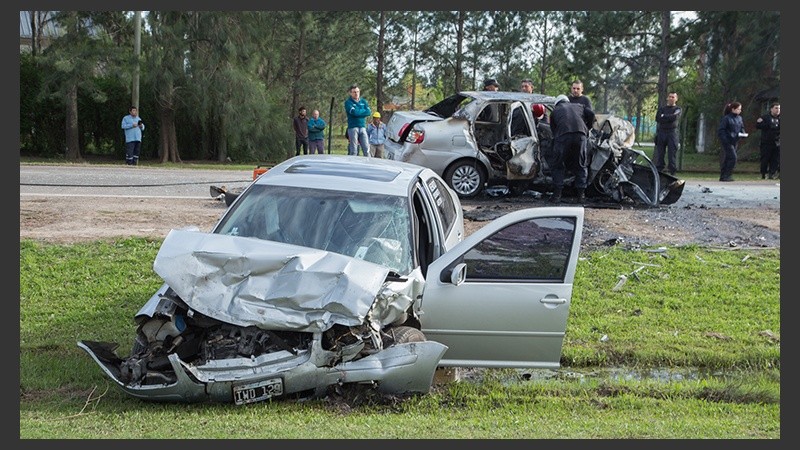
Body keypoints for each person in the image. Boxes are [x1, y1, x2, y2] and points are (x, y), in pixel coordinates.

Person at [547, 94, 595, 203]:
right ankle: (581, 196)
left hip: (563, 136)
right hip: (581, 136)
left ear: (557, 104)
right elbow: (591, 114)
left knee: (557, 165)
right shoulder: (579, 106)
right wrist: (587, 128)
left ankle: (557, 196)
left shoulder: (555, 111)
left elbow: (553, 131)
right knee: (581, 165)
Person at [653, 92, 683, 175]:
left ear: (676, 99)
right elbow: (658, 118)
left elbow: (674, 117)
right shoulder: (662, 109)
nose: (671, 98)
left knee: (672, 153)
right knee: (660, 153)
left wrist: (664, 116)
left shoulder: (678, 109)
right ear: (667, 98)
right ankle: (659, 172)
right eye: (669, 97)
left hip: (672, 133)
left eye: (673, 97)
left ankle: (672, 172)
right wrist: (667, 117)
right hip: (662, 132)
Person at [716, 101, 746, 182]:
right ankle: (727, 174)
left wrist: (743, 133)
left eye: (740, 109)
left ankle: (723, 176)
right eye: (738, 109)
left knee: (728, 158)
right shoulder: (726, 118)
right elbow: (721, 130)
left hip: (735, 140)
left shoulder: (739, 118)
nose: (740, 111)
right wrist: (725, 139)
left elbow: (741, 127)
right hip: (727, 141)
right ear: (733, 109)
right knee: (733, 158)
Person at [344, 84, 372, 156]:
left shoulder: (364, 101)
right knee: (354, 150)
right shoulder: (348, 102)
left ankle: (368, 164)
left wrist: (358, 111)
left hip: (362, 127)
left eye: (357, 92)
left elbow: (368, 112)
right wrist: (363, 111)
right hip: (353, 127)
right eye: (354, 92)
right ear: (351, 93)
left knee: (367, 149)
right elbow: (354, 113)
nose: (356, 93)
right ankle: (352, 165)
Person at [755, 102, 780, 179]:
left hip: (777, 142)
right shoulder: (765, 117)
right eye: (776, 108)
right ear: (771, 109)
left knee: (775, 159)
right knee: (765, 158)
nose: (778, 110)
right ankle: (763, 173)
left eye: (779, 108)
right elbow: (758, 125)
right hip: (766, 142)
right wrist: (769, 125)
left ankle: (772, 173)